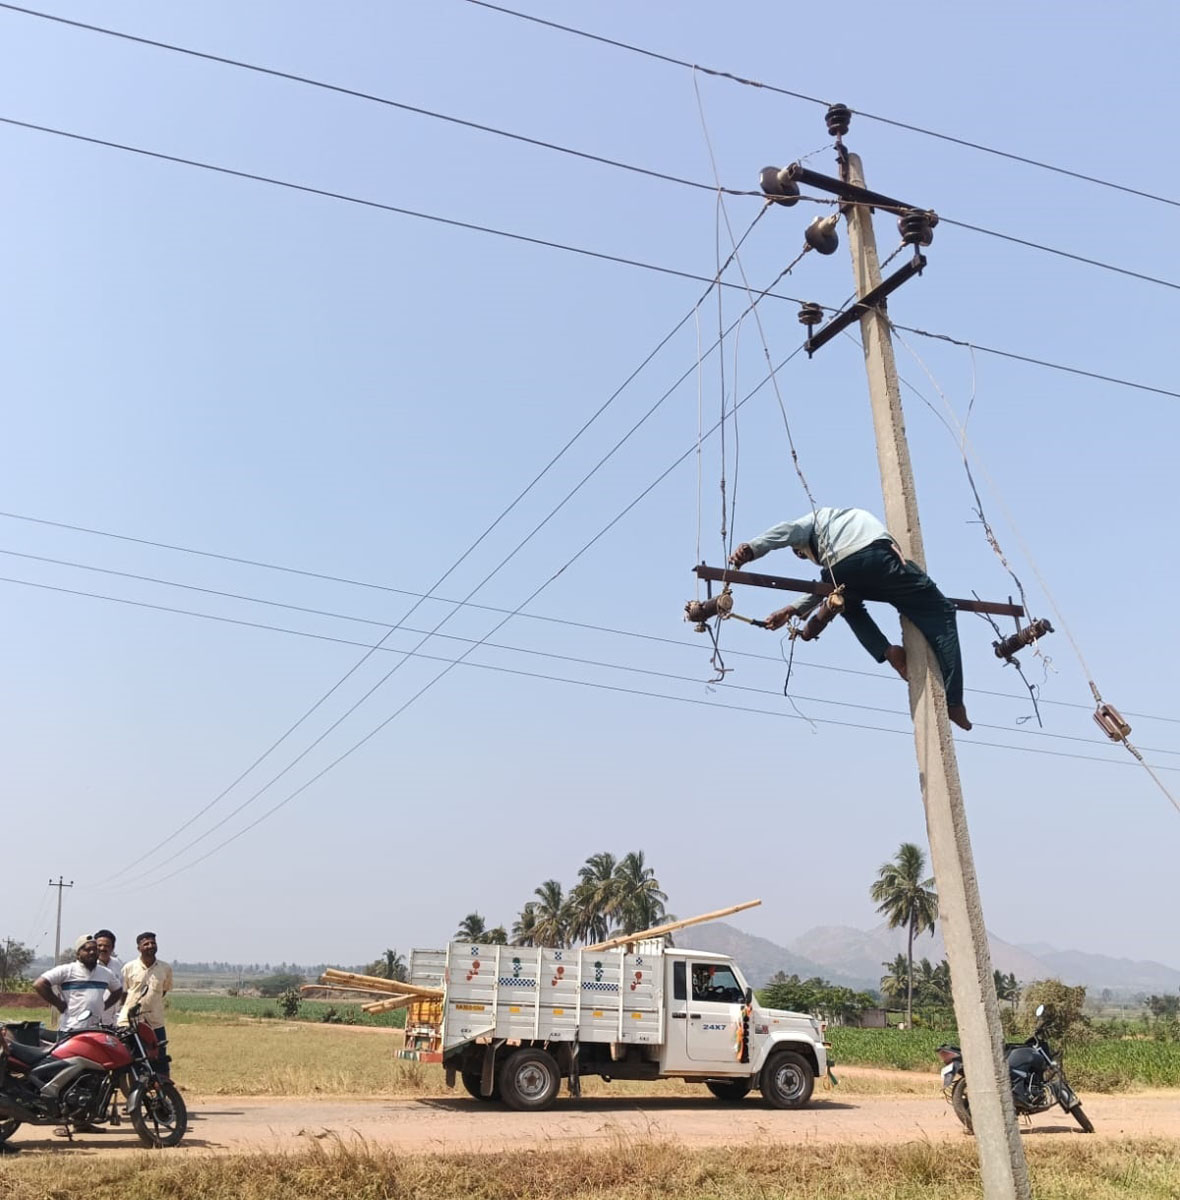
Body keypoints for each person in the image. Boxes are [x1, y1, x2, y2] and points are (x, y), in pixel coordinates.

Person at [730, 506, 972, 730]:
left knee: (849, 604)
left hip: (857, 563)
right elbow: (826, 588)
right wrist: (790, 610)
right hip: (877, 563)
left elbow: (787, 531)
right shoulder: (848, 519)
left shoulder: (814, 520)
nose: (805, 557)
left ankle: (894, 657)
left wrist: (752, 548)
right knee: (851, 601)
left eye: (802, 554)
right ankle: (954, 701)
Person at [33, 935, 124, 1040]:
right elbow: (39, 984)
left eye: (95, 949)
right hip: (70, 1030)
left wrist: (103, 1006)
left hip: (95, 1031)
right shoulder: (67, 971)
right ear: (78, 954)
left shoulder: (105, 973)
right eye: (87, 949)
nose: (92, 952)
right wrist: (59, 1004)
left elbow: (117, 990)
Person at [118, 931, 174, 1082]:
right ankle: (135, 1095)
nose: (150, 946)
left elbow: (163, 992)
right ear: (139, 948)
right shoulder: (128, 968)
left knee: (160, 1060)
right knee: (134, 1060)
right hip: (130, 1023)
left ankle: (163, 1095)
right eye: (146, 944)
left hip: (155, 1022)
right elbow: (123, 994)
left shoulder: (165, 969)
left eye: (153, 943)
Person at [93, 929, 123, 1029]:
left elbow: (122, 990)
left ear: (112, 947)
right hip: (94, 1023)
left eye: (107, 946)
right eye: (99, 945)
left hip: (113, 1022)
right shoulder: (89, 966)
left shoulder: (117, 964)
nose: (103, 948)